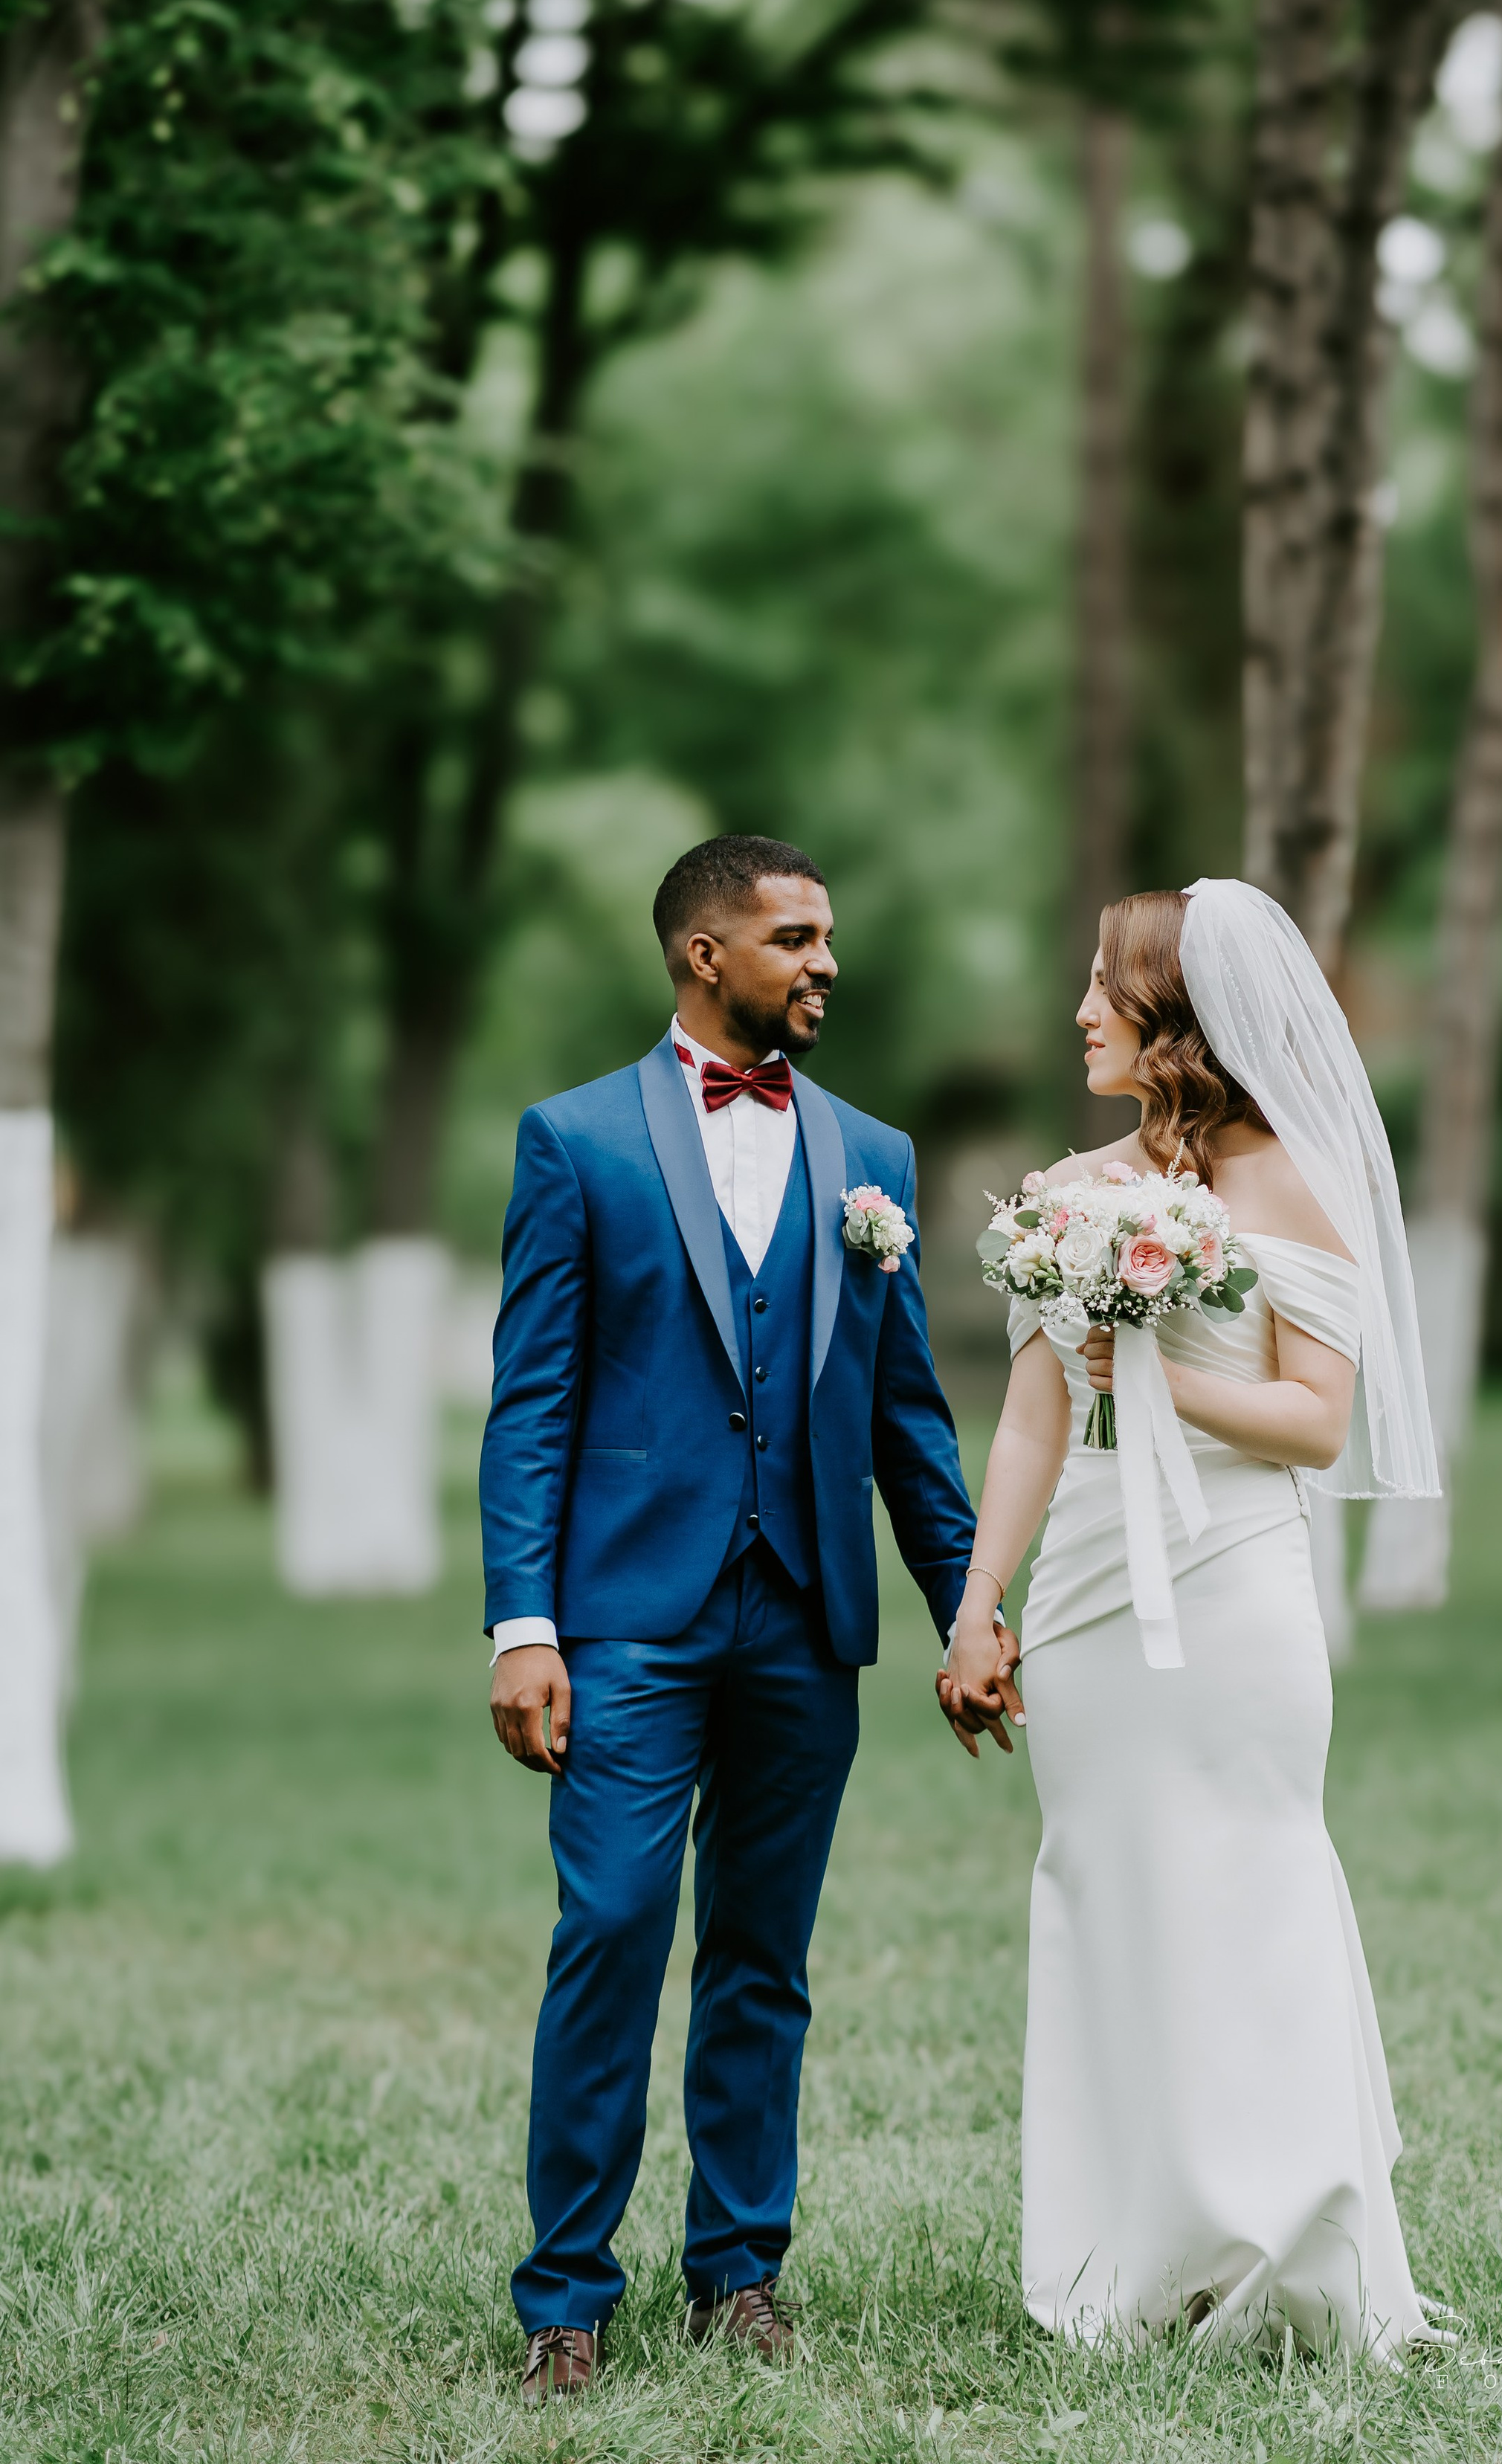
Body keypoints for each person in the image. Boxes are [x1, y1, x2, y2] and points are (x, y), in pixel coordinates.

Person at [482, 833, 1011, 2405]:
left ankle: (739, 2276)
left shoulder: (872, 1154)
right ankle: (566, 2298)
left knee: (764, 1958)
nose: (824, 963)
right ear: (703, 954)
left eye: (827, 936)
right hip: (626, 1623)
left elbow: (907, 1419)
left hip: (802, 1619)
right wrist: (523, 1626)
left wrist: (966, 1611)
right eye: (793, 937)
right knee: (611, 1933)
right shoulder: (574, 1141)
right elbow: (532, 1405)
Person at [939, 879, 1443, 2360]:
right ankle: (1132, 2255)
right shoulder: (1066, 1193)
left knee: (1248, 1884)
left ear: (1174, 1014)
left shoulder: (1291, 1181)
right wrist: (979, 1606)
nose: (1080, 1012)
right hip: (1089, 1596)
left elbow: (1313, 1419)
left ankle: (1287, 2243)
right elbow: (1033, 1422)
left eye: (1105, 989)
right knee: (1105, 1889)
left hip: (1233, 1588)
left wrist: (1162, 1375)